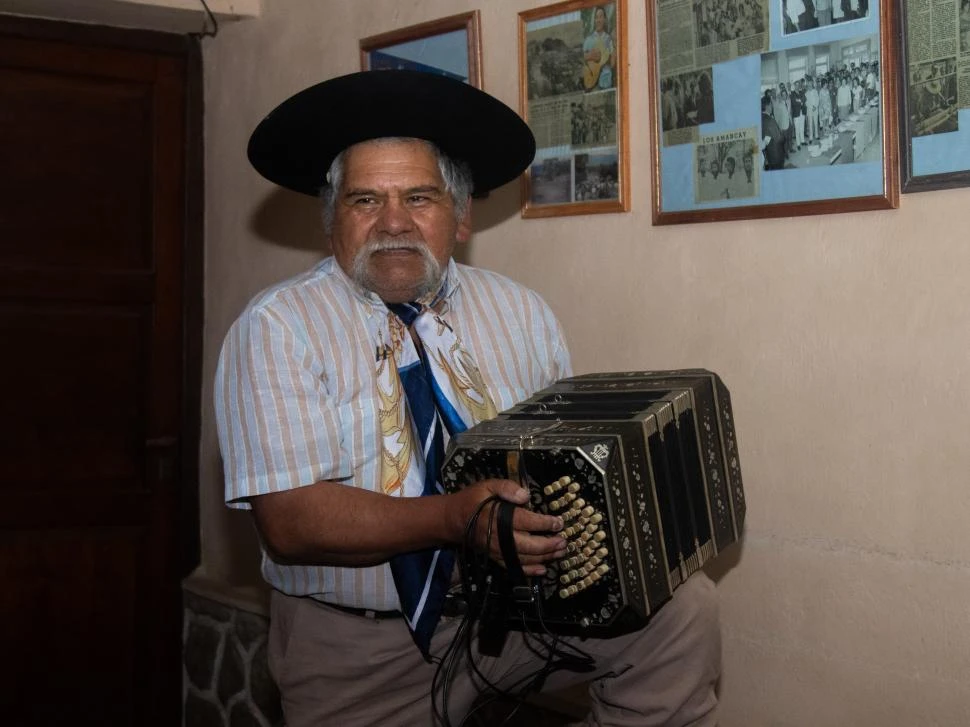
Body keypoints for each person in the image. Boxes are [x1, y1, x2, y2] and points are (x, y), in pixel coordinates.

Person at [216, 70, 720, 727]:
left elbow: (557, 463)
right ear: (331, 220)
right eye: (366, 200)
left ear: (460, 215)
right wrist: (455, 519)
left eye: (419, 197)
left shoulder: (522, 312)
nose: (393, 222)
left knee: (683, 612)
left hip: (516, 612)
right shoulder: (278, 326)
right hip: (357, 648)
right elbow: (290, 520)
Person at [583, 5, 615, 91]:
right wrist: (591, 56)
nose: (598, 20)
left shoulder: (608, 39)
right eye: (596, 17)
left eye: (601, 17)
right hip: (591, 80)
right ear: (594, 20)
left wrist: (605, 59)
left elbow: (612, 62)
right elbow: (583, 58)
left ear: (605, 19)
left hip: (605, 80)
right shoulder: (589, 39)